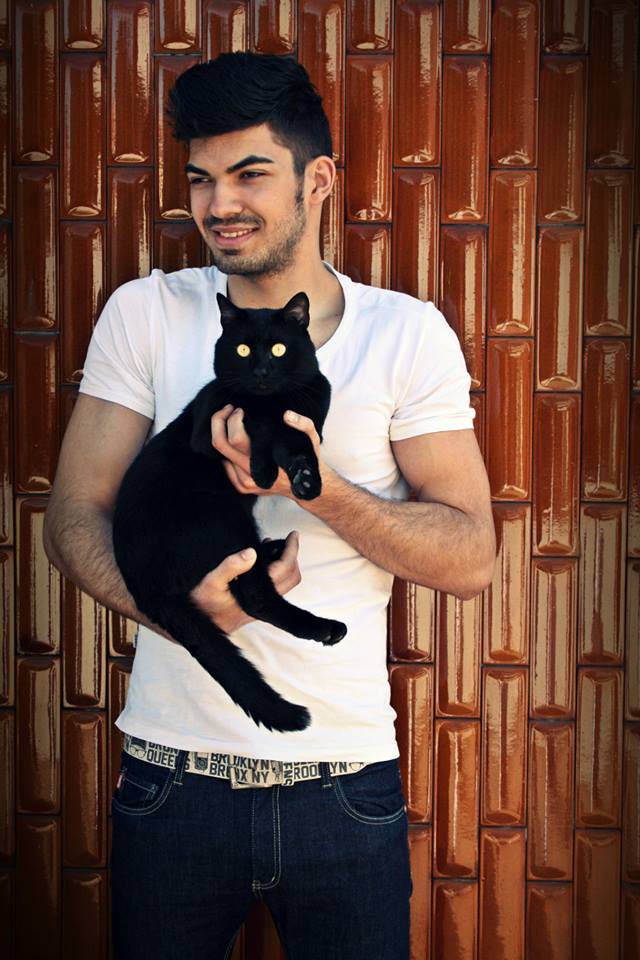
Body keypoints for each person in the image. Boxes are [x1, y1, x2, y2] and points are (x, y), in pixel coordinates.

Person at [44, 52, 496, 960]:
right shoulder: (145, 313)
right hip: (173, 778)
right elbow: (71, 519)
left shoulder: (406, 334)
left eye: (250, 174)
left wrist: (315, 489)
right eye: (201, 179)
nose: (220, 205)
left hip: (345, 784)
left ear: (317, 180)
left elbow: (469, 557)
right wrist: (184, 614)